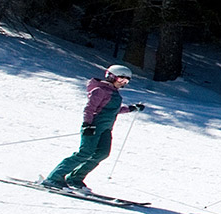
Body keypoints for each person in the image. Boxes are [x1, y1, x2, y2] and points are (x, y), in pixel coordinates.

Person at [41, 64, 146, 192]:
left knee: (102, 153)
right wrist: (87, 124)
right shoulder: (99, 90)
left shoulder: (114, 92)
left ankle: (75, 178)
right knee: (85, 153)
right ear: (111, 76)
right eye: (121, 79)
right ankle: (54, 177)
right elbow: (89, 108)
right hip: (93, 126)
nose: (123, 83)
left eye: (126, 81)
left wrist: (131, 108)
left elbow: (112, 110)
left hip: (106, 128)